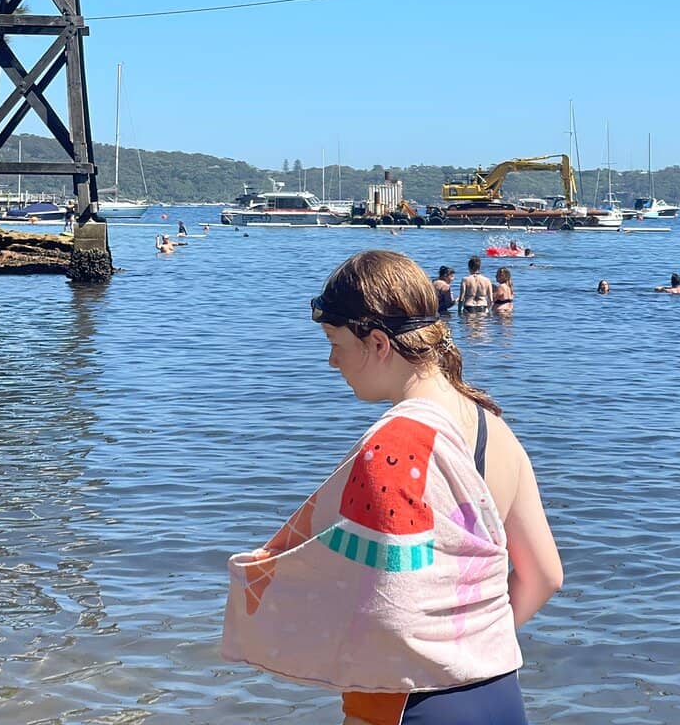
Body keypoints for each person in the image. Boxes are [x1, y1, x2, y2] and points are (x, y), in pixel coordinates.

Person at [222, 251, 563, 724]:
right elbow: (545, 576)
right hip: (500, 694)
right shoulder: (494, 427)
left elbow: (386, 608)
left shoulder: (396, 441)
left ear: (378, 343)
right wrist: (469, 645)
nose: (331, 361)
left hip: (406, 703)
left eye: (335, 343)